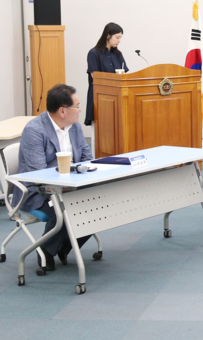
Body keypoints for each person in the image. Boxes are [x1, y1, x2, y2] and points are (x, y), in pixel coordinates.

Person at [12, 85, 93, 271]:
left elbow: (87, 157)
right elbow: (39, 174)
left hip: (70, 186)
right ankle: (45, 252)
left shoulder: (74, 126)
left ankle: (64, 247)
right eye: (77, 106)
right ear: (63, 111)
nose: (80, 110)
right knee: (65, 210)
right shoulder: (34, 130)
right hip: (38, 192)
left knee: (98, 205)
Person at [85, 22, 129, 126]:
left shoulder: (118, 54)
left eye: (120, 38)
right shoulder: (94, 53)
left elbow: (124, 75)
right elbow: (95, 77)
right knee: (99, 128)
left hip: (116, 97)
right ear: (108, 36)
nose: (119, 41)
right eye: (117, 37)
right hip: (100, 97)